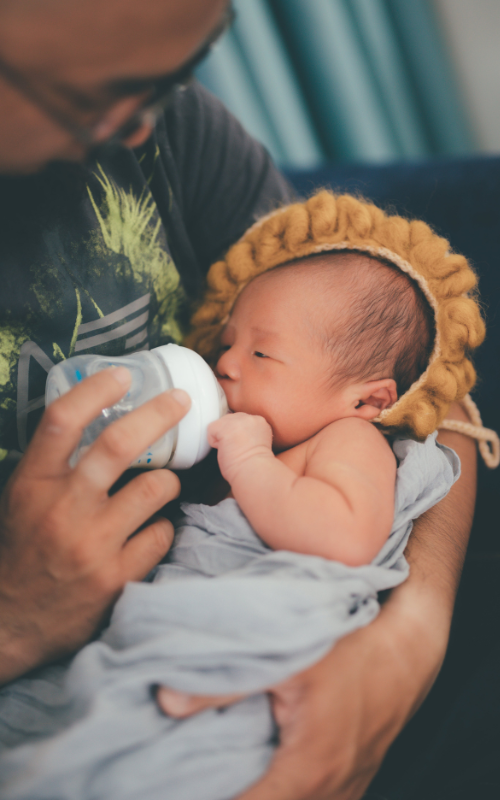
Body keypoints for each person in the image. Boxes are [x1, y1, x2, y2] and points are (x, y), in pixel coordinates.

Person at [0, 1, 480, 798]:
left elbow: (440, 394)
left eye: (171, 81)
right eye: (97, 99)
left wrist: (406, 651)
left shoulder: (173, 128)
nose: (140, 132)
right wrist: (16, 618)